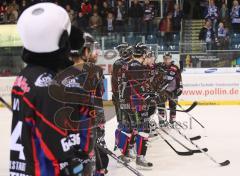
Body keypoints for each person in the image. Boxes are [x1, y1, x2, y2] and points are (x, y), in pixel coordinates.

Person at [10, 3, 95, 176]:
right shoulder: (50, 85)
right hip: (46, 169)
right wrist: (77, 159)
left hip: (24, 167)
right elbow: (57, 140)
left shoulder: (24, 77)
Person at [69, 27, 108, 176]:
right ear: (85, 51)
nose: (95, 52)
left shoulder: (60, 73)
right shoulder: (94, 73)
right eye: (92, 49)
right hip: (88, 129)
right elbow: (100, 95)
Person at [157, 52, 183, 126]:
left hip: (173, 90)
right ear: (163, 58)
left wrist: (180, 88)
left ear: (171, 59)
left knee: (173, 106)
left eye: (168, 58)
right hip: (161, 91)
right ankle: (162, 121)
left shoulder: (175, 68)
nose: (166, 60)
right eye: (165, 58)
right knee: (161, 106)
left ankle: (172, 121)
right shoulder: (159, 66)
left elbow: (179, 79)